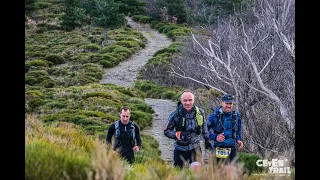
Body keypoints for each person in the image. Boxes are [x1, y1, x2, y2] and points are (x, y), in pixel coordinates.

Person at [164, 89, 213, 168]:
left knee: (197, 175)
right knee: (179, 174)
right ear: (181, 101)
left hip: (195, 148)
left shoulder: (200, 112)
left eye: (190, 100)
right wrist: (179, 135)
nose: (188, 103)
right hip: (180, 149)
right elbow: (167, 131)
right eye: (185, 100)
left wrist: (207, 140)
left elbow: (204, 128)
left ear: (194, 100)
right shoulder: (175, 114)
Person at [207, 93, 243, 166]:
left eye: (231, 103)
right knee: (217, 175)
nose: (229, 106)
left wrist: (238, 140)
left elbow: (238, 130)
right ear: (222, 103)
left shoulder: (236, 116)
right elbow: (204, 131)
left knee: (233, 174)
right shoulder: (214, 116)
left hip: (232, 149)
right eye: (227, 103)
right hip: (218, 149)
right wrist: (215, 137)